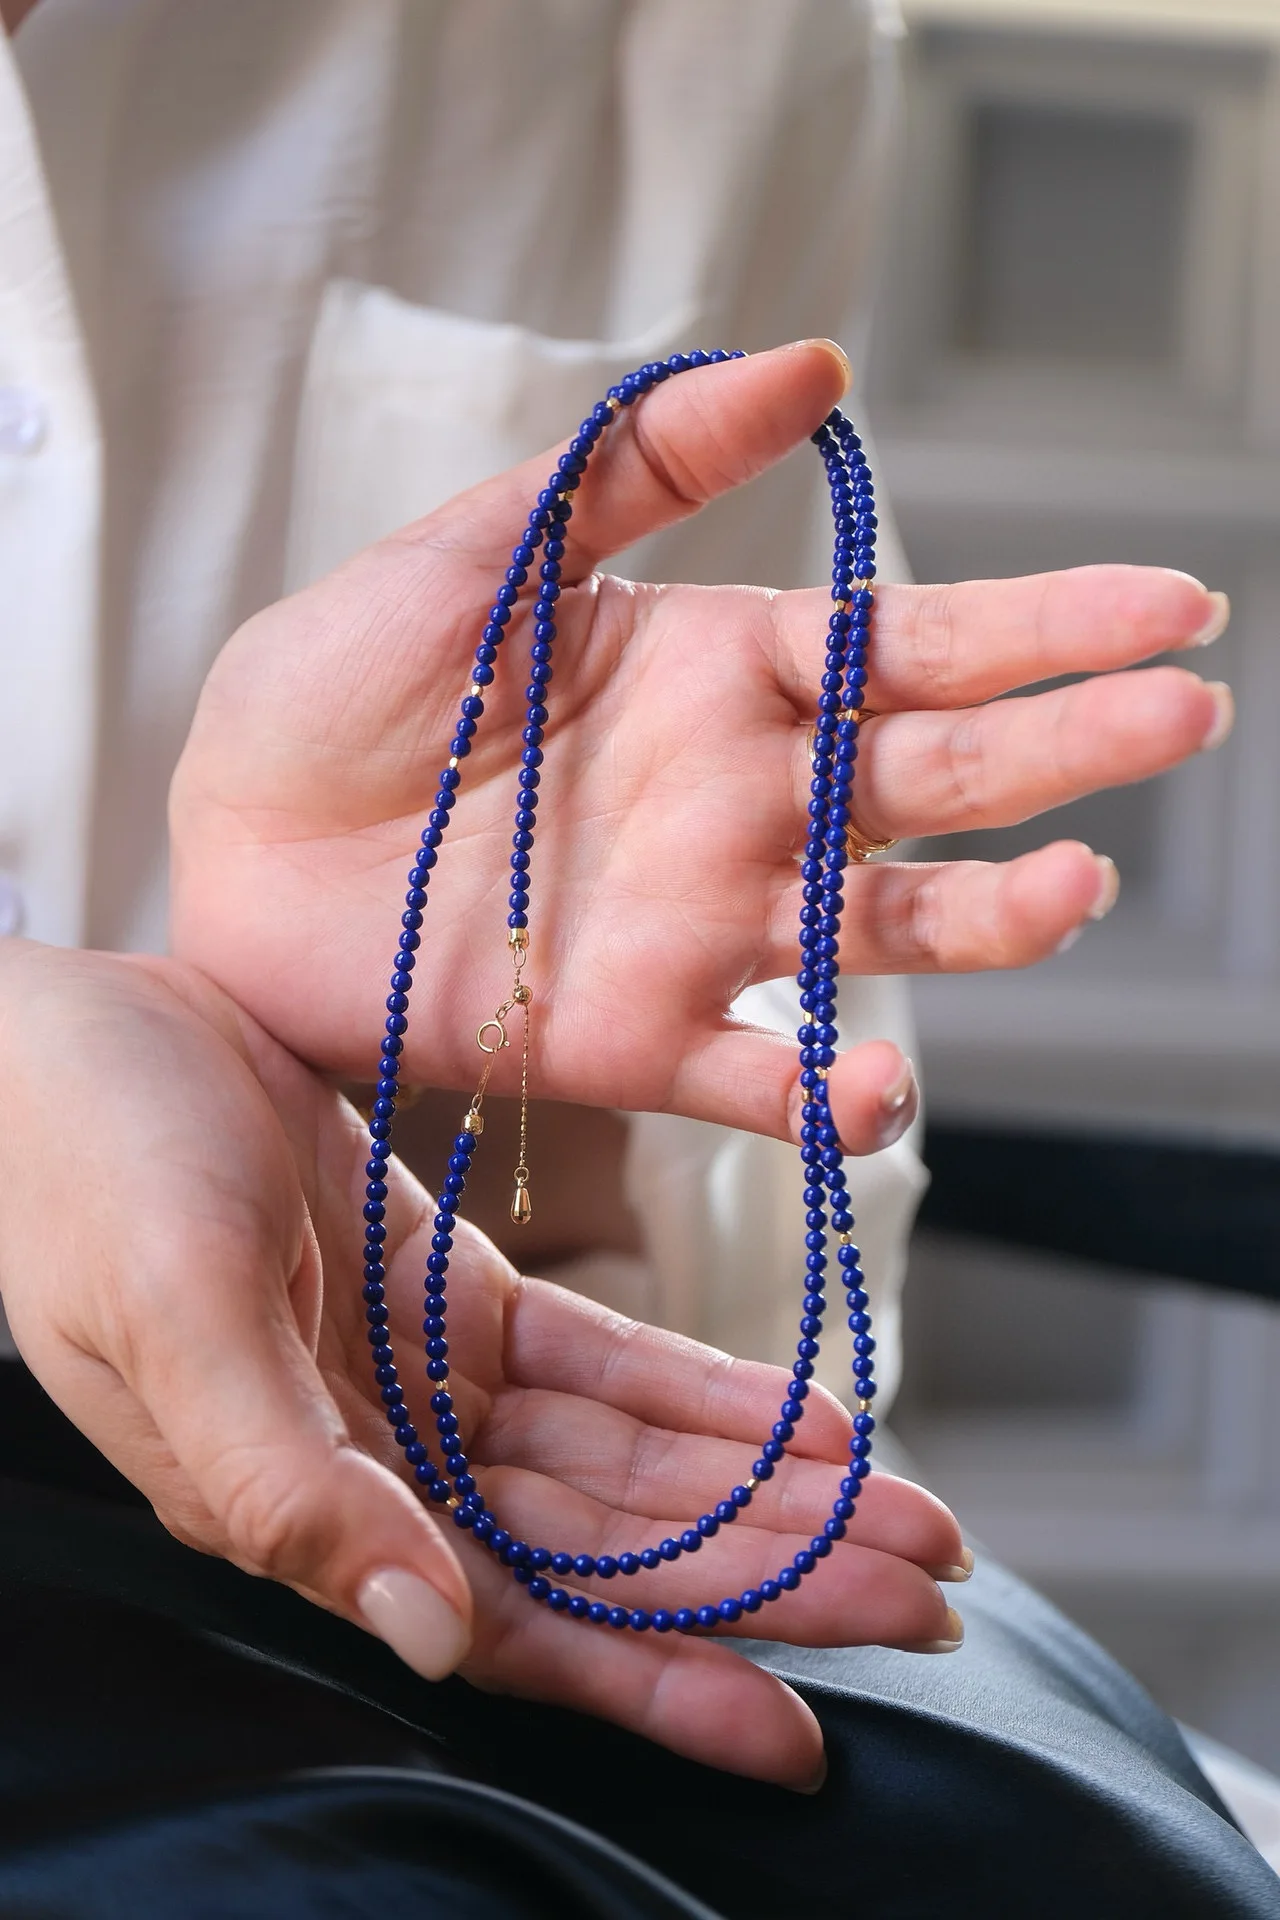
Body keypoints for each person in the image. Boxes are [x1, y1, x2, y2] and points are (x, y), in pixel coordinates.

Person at [0, 3, 1273, 1914]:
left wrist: (323, 1037)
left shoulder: (710, 40)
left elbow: (588, 1183)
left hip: (397, 1335)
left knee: (1091, 1881)